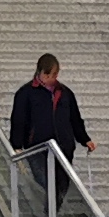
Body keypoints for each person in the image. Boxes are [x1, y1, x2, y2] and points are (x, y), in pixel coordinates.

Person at [9, 55, 94, 207]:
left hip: (63, 147)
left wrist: (84, 139)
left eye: (53, 75)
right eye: (47, 75)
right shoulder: (26, 93)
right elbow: (18, 120)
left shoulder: (65, 93)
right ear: (39, 72)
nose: (50, 78)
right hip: (37, 147)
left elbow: (75, 118)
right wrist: (16, 145)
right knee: (48, 183)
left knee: (62, 184)